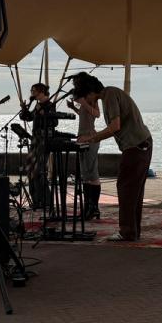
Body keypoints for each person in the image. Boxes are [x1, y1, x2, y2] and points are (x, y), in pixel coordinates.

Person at [75, 76, 151, 242]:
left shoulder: (109, 95)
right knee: (134, 191)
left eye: (84, 96)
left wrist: (92, 138)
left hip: (135, 145)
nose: (86, 100)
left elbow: (115, 126)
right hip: (141, 143)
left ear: (90, 92)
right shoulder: (110, 93)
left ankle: (127, 232)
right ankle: (133, 231)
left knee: (125, 187)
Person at [68, 73, 101, 219]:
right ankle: (87, 207)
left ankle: (93, 207)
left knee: (92, 174)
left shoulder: (91, 97)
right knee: (85, 175)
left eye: (76, 82)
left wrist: (84, 103)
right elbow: (85, 115)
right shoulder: (83, 99)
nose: (74, 84)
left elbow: (96, 114)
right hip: (81, 137)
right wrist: (74, 108)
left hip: (90, 137)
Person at [20, 83, 54, 207]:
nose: (32, 93)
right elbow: (27, 118)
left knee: (39, 170)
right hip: (35, 139)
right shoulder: (37, 105)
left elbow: (54, 122)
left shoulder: (49, 105)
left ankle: (46, 201)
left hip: (43, 140)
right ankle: (36, 200)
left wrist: (42, 114)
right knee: (30, 169)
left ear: (41, 91)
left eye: (33, 90)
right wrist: (24, 108)